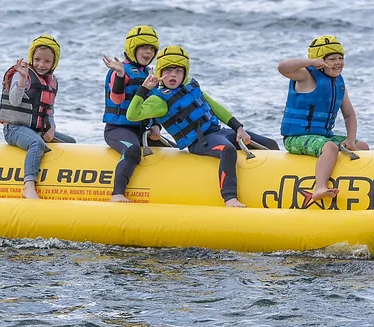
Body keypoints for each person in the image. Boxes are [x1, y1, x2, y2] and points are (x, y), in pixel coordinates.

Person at [126, 45, 279, 208]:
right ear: (160, 73)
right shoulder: (159, 101)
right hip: (200, 141)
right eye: (168, 70)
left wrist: (238, 128)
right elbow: (132, 115)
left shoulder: (191, 87)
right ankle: (229, 197)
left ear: (184, 73)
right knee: (227, 150)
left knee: (270, 144)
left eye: (178, 71)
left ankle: (274, 183)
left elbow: (215, 106)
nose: (173, 75)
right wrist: (144, 89)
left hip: (219, 132)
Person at [278, 35, 369, 201]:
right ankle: (319, 187)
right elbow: (283, 67)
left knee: (361, 145)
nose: (338, 62)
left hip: (322, 136)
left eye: (341, 58)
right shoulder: (306, 77)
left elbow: (349, 115)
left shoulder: (338, 84)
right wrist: (310, 62)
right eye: (332, 58)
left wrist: (350, 139)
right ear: (319, 60)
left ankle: (361, 187)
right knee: (330, 147)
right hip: (296, 138)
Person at [0, 34, 75, 199]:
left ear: (54, 63)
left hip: (37, 129)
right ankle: (29, 186)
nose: (41, 64)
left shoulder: (52, 80)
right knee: (36, 144)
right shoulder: (22, 74)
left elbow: (49, 109)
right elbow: (14, 100)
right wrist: (23, 79)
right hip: (14, 129)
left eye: (47, 61)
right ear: (31, 57)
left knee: (71, 143)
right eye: (37, 59)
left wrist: (51, 128)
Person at [102, 25, 160, 202]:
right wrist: (119, 75)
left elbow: (153, 104)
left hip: (142, 131)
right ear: (132, 48)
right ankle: (117, 194)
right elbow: (117, 99)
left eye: (152, 49)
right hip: (117, 129)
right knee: (133, 150)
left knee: (172, 151)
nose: (148, 52)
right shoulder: (119, 71)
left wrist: (156, 124)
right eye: (144, 48)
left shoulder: (149, 74)